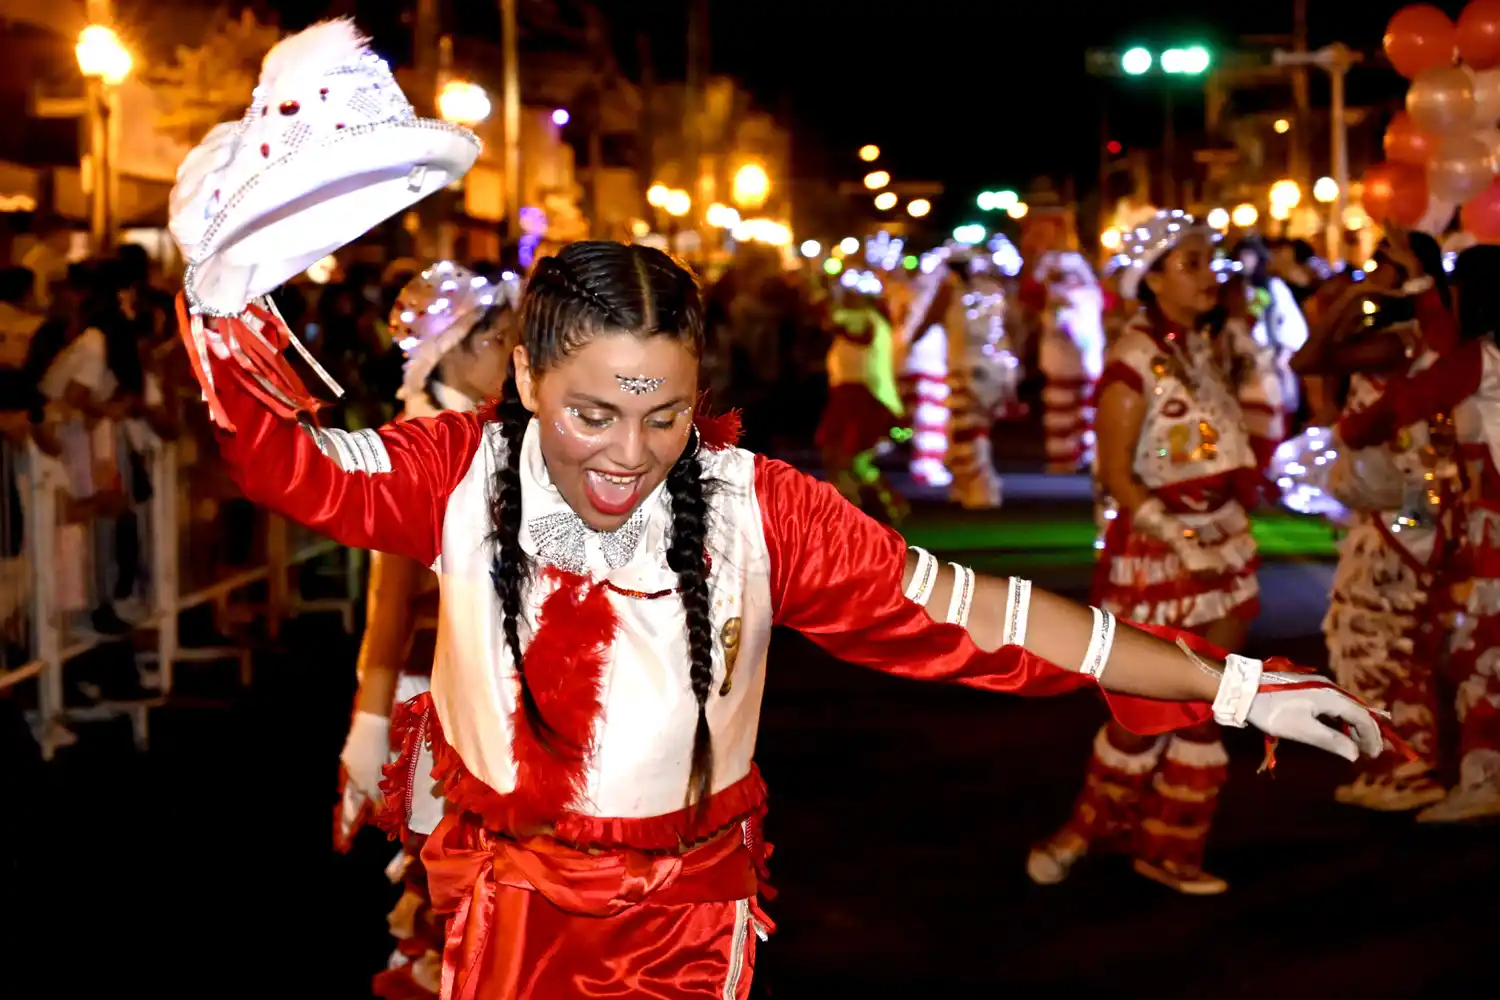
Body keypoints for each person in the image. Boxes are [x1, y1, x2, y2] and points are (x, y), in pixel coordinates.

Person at [170, 26, 1392, 997]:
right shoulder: (454, 466)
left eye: (666, 412)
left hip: (687, 931)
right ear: (530, 378)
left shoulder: (763, 508)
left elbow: (997, 618)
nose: (629, 454)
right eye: (593, 412)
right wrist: (219, 296)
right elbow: (285, 463)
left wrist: (1231, 685)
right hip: (505, 918)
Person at [1029, 212, 1267, 896]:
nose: (1208, 275)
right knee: (1151, 704)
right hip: (1163, 555)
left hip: (1222, 541)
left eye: (1208, 261)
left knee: (1218, 697)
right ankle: (1084, 828)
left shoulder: (1201, 347)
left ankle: (1170, 843)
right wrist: (1179, 539)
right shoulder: (1132, 360)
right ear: (1152, 277)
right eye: (1190, 263)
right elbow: (1118, 473)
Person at [337, 262, 521, 999]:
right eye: (499, 341)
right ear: (452, 347)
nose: (512, 358)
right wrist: (371, 725)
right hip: (441, 697)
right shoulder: (422, 443)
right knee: (460, 886)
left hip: (490, 687)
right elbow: (391, 599)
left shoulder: (489, 433)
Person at [1288, 229, 1456, 812]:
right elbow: (1309, 361)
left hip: (1400, 517)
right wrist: (1356, 297)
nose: (1369, 272)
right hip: (1385, 514)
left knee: (1379, 639)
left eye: (1381, 263)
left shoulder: (1400, 344)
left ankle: (1410, 769)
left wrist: (1359, 296)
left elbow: (1306, 358)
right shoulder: (1395, 338)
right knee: (1380, 641)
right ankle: (1399, 767)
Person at [1339, 242, 1500, 822]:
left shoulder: (1481, 357)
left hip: (1494, 523)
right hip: (1480, 517)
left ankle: (1485, 781)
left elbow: (1408, 398)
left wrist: (1353, 429)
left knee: (1484, 654)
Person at [815, 268, 907, 524]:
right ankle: (862, 505)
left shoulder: (869, 321)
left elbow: (853, 332)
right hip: (846, 397)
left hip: (863, 397)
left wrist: (827, 307)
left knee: (853, 458)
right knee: (836, 456)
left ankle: (883, 505)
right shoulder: (858, 318)